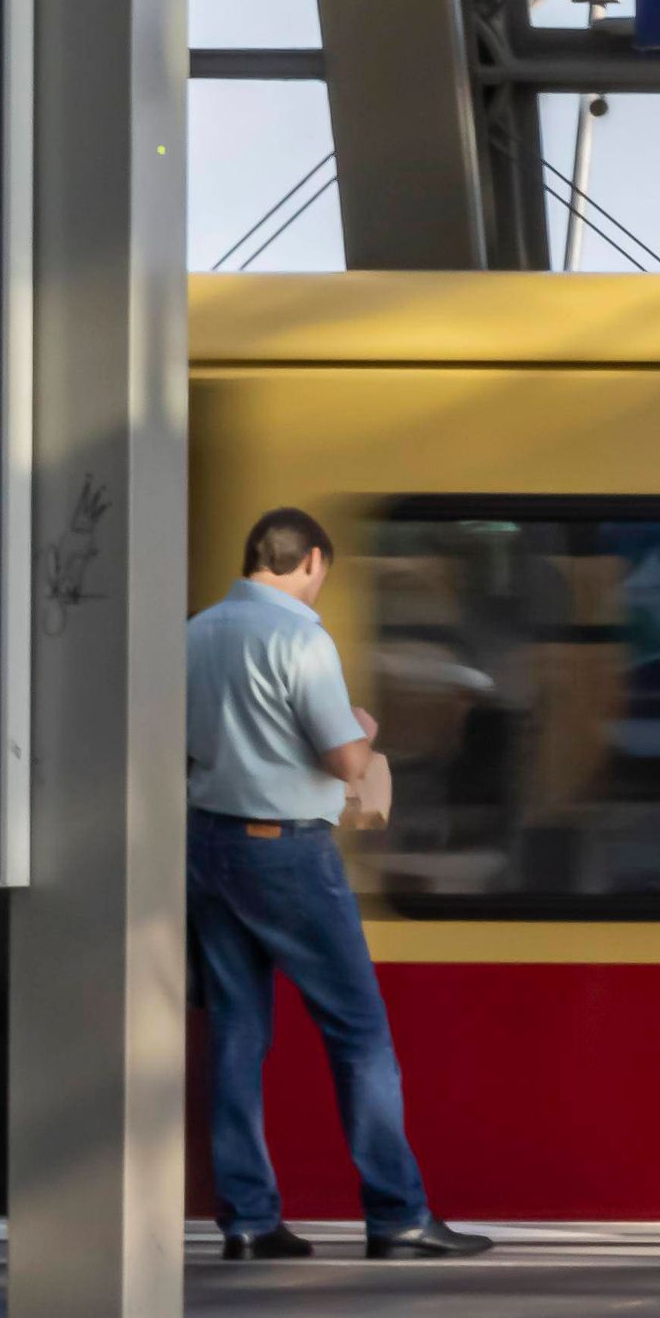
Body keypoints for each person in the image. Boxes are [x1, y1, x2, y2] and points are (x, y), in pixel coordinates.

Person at [188, 508, 495, 1263]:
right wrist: (361, 724)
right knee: (359, 1035)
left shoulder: (194, 632)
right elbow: (348, 763)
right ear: (314, 562)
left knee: (236, 1033)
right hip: (287, 853)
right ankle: (397, 1215)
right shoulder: (300, 637)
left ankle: (250, 1221)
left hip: (205, 844)